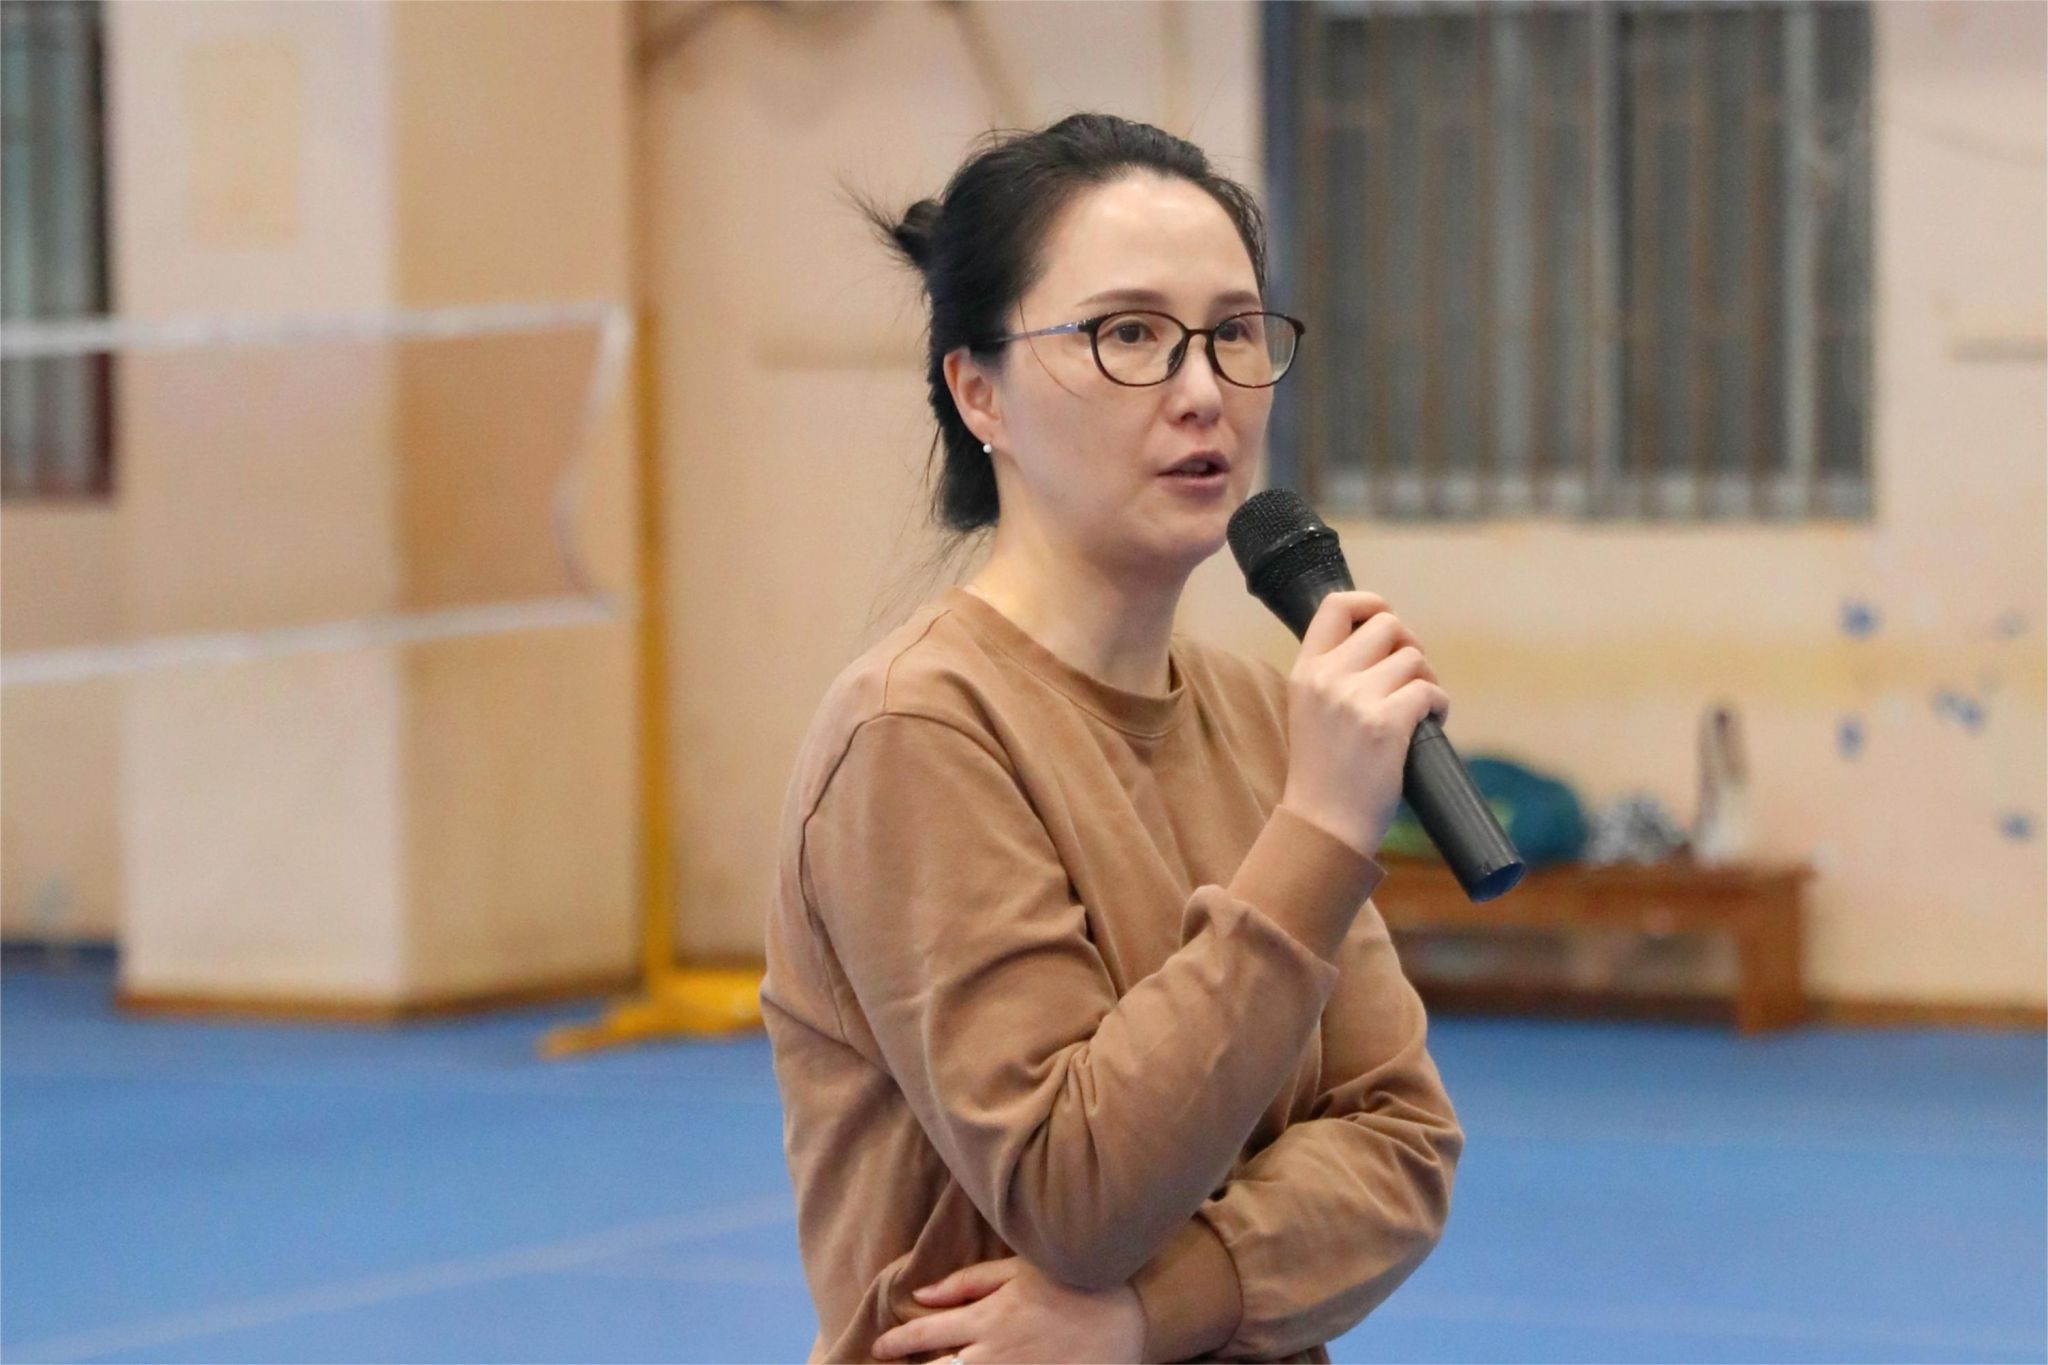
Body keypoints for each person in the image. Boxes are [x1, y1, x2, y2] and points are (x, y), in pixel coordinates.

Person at [760, 112, 1463, 1364]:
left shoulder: (1263, 715)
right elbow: (1075, 1192)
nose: (1200, 392)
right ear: (978, 392)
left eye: (1232, 333)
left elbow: (1399, 1148)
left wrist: (1151, 1313)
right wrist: (1316, 831)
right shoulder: (917, 730)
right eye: (1127, 334)